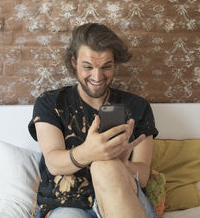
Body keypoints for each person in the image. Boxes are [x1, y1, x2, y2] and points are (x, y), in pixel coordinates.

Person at [28, 23, 159, 218]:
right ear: (74, 62)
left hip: (124, 196)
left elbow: (144, 176)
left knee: (107, 167)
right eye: (88, 67)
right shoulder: (51, 103)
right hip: (67, 205)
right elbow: (54, 163)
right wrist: (90, 152)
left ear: (115, 63)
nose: (97, 77)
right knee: (101, 164)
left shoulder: (137, 107)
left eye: (106, 66)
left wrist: (122, 165)